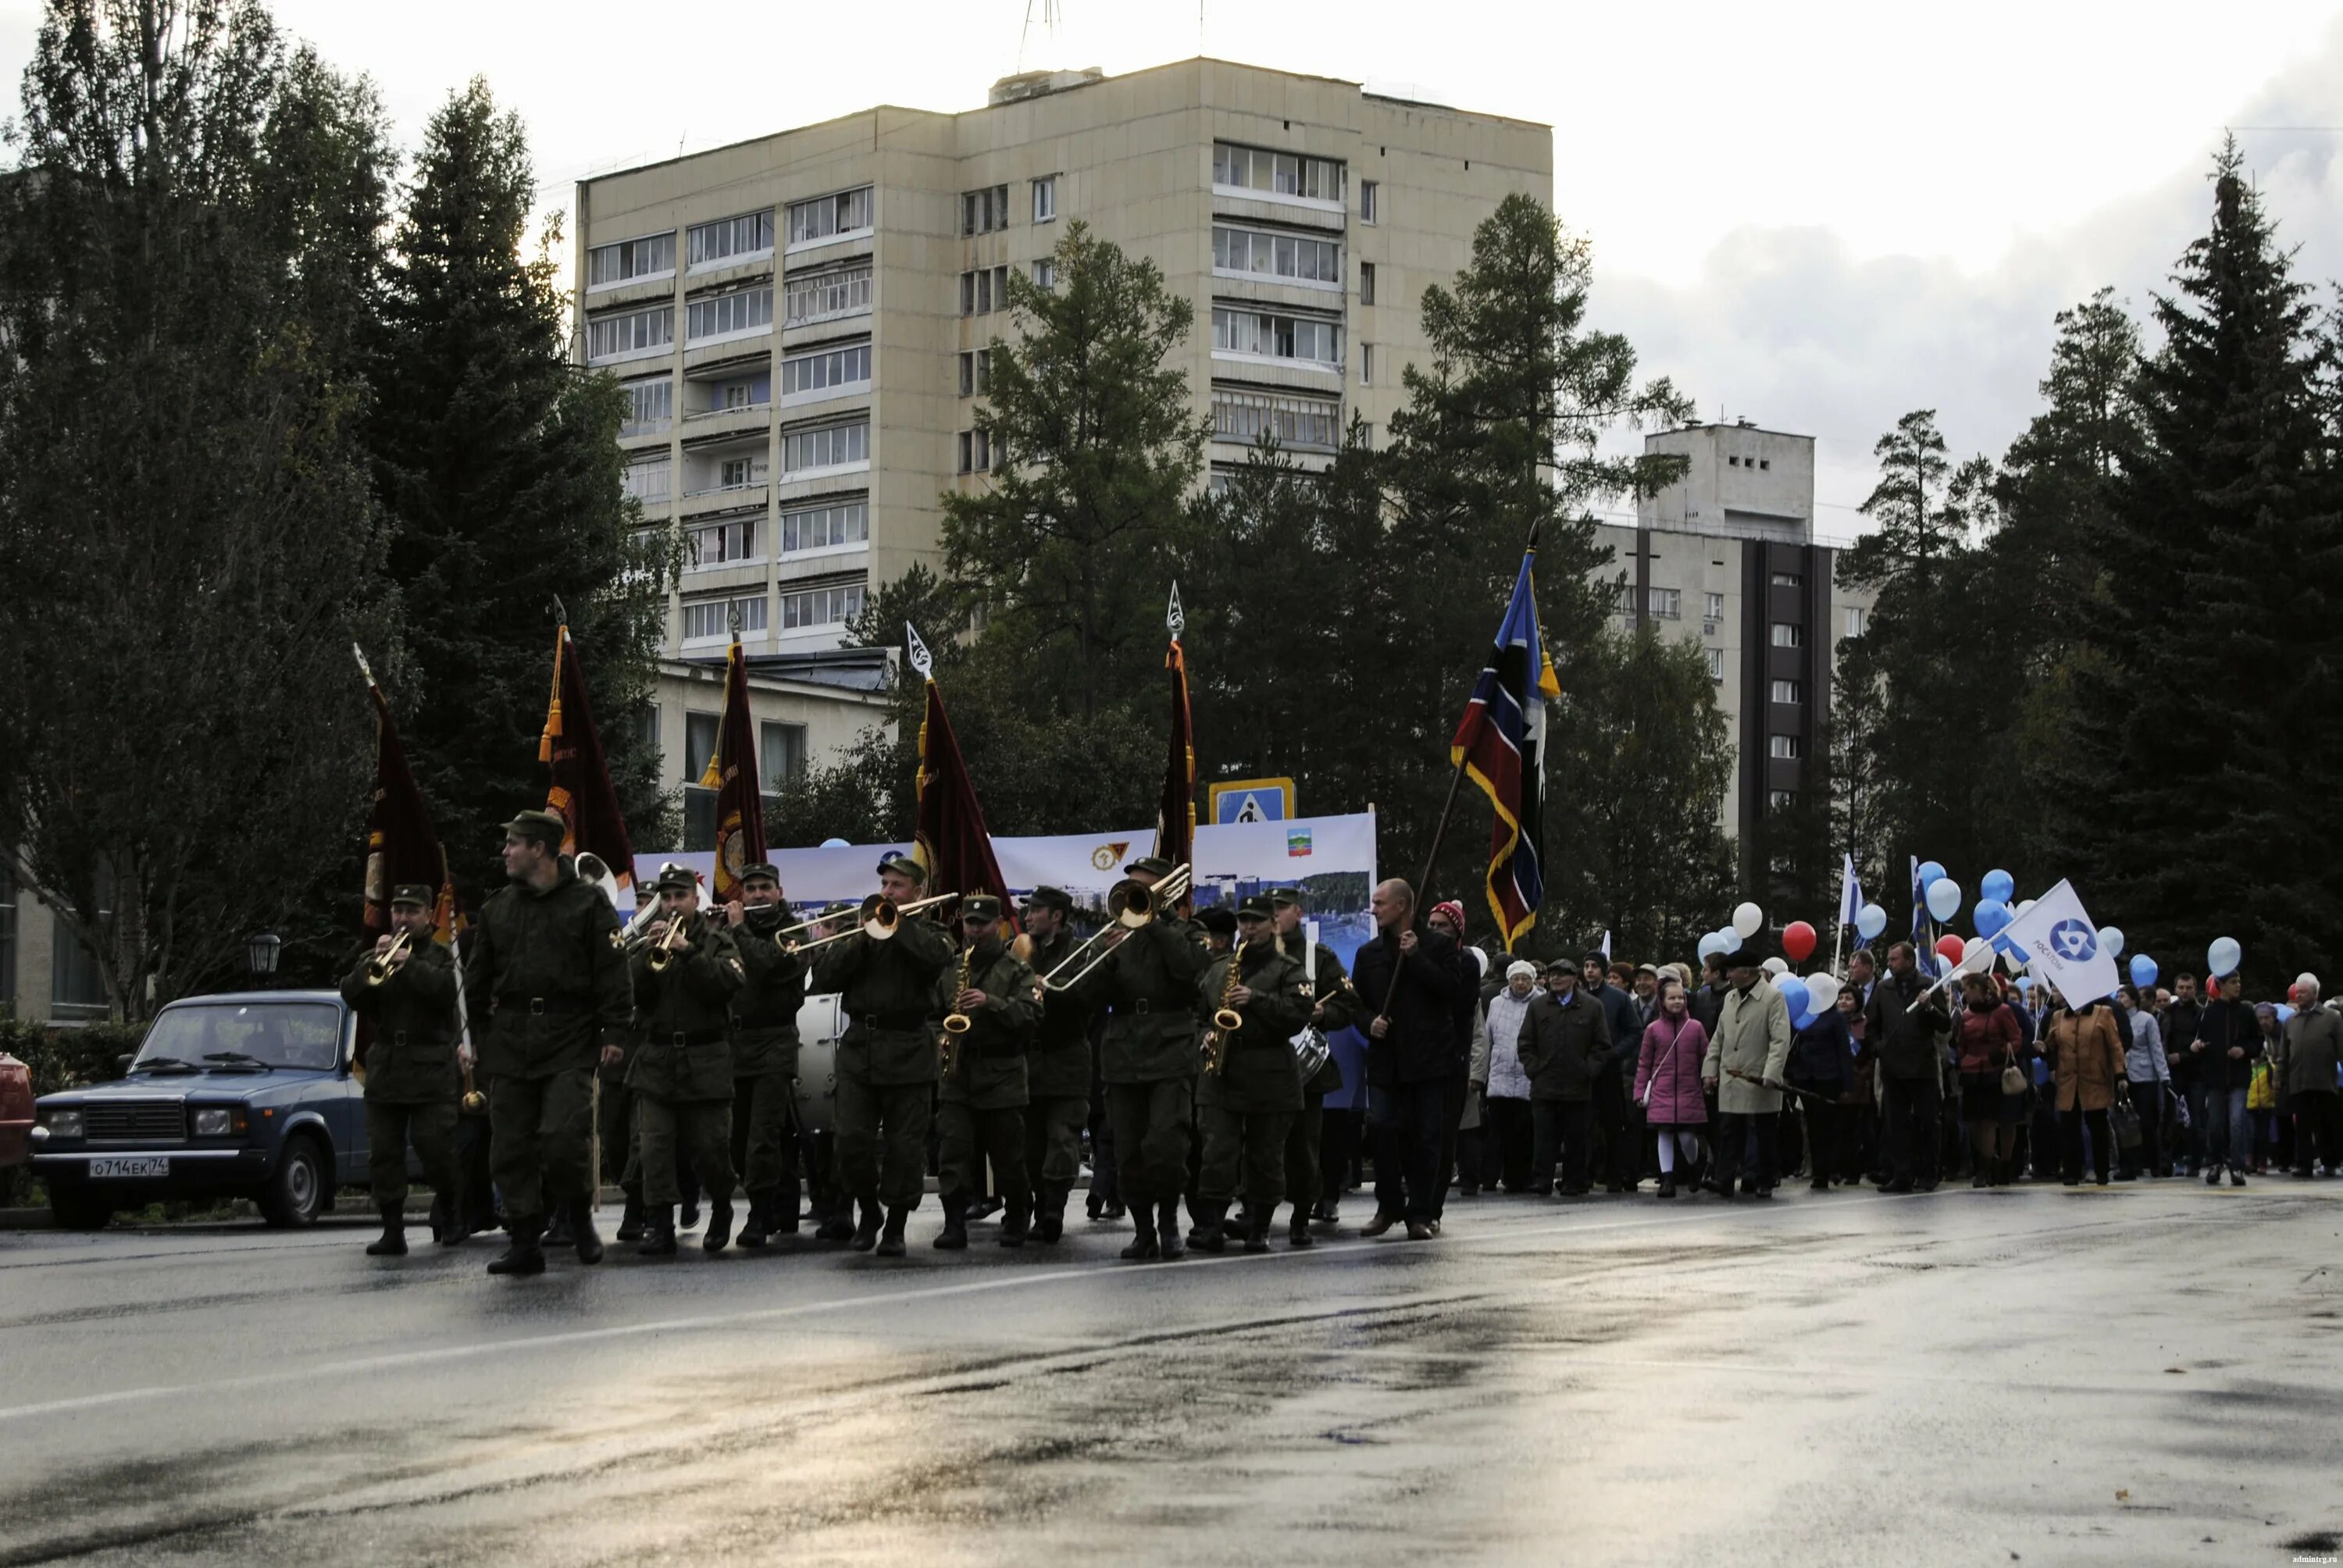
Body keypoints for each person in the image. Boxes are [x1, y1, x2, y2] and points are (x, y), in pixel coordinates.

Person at [463, 809, 633, 1277]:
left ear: (538, 848)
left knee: (562, 1139)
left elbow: (612, 973)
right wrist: (474, 1037)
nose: (506, 852)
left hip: (569, 1036)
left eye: (513, 843)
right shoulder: (498, 907)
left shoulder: (588, 904)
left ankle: (577, 1216)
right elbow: (476, 982)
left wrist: (615, 1031)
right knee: (510, 1148)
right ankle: (524, 1242)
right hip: (511, 1040)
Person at [811, 854, 955, 1256]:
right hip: (860, 1048)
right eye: (885, 885)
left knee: (905, 1147)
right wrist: (861, 937)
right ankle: (869, 1210)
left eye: (897, 886)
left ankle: (895, 1224)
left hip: (908, 1048)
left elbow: (936, 960)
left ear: (919, 892)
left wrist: (897, 925)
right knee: (850, 1142)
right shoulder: (863, 933)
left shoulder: (933, 932)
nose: (888, 892)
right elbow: (825, 978)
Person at [1073, 855, 1209, 1261]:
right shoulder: (1113, 936)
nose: (1135, 892)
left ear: (1163, 889)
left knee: (1167, 1143)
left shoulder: (1187, 931)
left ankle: (1169, 1223)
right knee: (1127, 1149)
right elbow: (1086, 995)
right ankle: (1143, 1229)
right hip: (1124, 1050)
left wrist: (1154, 926)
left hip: (1170, 1048)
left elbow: (1190, 974)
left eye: (1143, 885)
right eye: (1132, 886)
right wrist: (1106, 956)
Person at [339, 884, 464, 1256]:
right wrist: (369, 968)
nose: (403, 919)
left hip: (430, 1065)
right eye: (398, 911)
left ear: (429, 916)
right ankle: (392, 1229)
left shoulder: (442, 956)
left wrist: (408, 965)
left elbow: (446, 992)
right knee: (384, 1153)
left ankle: (452, 1210)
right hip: (388, 1067)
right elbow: (350, 994)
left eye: (412, 912)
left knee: (434, 1146)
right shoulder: (376, 954)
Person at [627, 864, 744, 1256]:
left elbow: (727, 984)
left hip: (705, 1058)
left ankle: (722, 1206)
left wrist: (688, 952)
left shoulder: (717, 941)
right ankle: (659, 1224)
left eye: (681, 897)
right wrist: (646, 953)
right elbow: (632, 992)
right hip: (658, 1059)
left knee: (710, 1148)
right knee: (654, 1148)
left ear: (696, 900)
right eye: (668, 898)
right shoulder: (650, 939)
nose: (673, 904)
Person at [1186, 896, 1311, 1253]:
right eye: (1244, 921)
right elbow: (1195, 1014)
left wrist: (1256, 998)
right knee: (1216, 1151)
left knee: (1265, 1155)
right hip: (1222, 1073)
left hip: (1270, 1073)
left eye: (1257, 922)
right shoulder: (1219, 968)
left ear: (1273, 925)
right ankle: (1210, 1225)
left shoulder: (1288, 969)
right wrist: (1205, 1035)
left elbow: (1298, 1013)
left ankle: (1260, 1225)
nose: (1249, 928)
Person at [1350, 878, 1470, 1239]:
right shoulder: (1368, 954)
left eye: (1380, 903)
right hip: (1387, 1060)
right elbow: (1355, 1003)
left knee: (1427, 1138)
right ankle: (1388, 1204)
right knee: (1383, 1129)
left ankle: (1420, 1213)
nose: (1374, 910)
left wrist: (1417, 958)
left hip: (1430, 1060)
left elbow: (1455, 993)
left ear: (1402, 906)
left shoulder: (1438, 947)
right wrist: (1369, 1023)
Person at [931, 895, 1042, 1250]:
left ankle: (1018, 1215)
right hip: (958, 1073)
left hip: (1002, 1073)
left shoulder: (1016, 969)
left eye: (982, 923)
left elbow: (1031, 1016)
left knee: (1007, 1153)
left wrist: (990, 1003)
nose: (975, 930)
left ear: (999, 925)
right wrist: (939, 1039)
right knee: (954, 1151)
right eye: (970, 923)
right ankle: (953, 1222)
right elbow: (933, 1013)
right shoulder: (950, 968)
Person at [1268, 888, 1359, 1246]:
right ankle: (1255, 1210)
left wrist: (1324, 1014)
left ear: (1299, 912)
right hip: (1259, 1064)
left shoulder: (1317, 957)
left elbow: (1348, 1005)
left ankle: (1302, 1215)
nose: (1275, 917)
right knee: (1257, 1143)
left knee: (1305, 1144)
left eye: (1281, 909)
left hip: (1302, 1068)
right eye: (1269, 910)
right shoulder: (1249, 955)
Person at [726, 864, 807, 1247]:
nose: (757, 894)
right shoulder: (731, 931)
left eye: (764, 887)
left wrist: (738, 929)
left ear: (779, 891)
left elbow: (769, 964)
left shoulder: (792, 931)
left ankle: (759, 1214)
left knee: (763, 1133)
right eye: (750, 888)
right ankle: (783, 1204)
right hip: (736, 1044)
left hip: (775, 1041)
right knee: (741, 1136)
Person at [1016, 886, 1096, 1244]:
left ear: (1057, 916)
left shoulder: (1079, 951)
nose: (1028, 916)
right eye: (1029, 910)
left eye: (1035, 910)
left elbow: (1086, 994)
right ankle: (1039, 1202)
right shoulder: (1019, 950)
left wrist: (1047, 987)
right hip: (1029, 1059)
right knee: (1031, 1145)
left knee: (1062, 1139)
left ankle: (1054, 1209)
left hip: (1066, 1057)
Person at [1700, 951, 1792, 1199]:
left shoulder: (1773, 998)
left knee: (1764, 1132)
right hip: (1731, 1076)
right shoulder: (1730, 997)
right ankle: (1725, 1179)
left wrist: (1771, 1073)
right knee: (1729, 1131)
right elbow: (1718, 1038)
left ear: (1747, 972)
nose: (1728, 975)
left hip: (1757, 1076)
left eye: (1732, 971)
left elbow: (1780, 1039)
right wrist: (1709, 1070)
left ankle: (1764, 1179)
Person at [1863, 942, 1949, 1194]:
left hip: (1922, 1065)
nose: (1890, 964)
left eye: (1895, 960)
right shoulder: (1883, 988)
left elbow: (1944, 1024)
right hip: (1893, 1066)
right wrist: (1878, 1048)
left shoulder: (1928, 985)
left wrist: (1929, 1007)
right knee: (1896, 1122)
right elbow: (1871, 1025)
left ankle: (1929, 1172)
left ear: (1910, 961)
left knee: (1927, 1121)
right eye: (1889, 960)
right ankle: (1902, 1174)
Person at [1520, 957, 1608, 1195]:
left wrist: (1589, 1070)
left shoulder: (1592, 1007)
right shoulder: (1538, 1006)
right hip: (1545, 1084)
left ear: (1574, 979)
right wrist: (1534, 1069)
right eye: (1552, 974)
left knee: (1577, 1138)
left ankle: (1574, 1180)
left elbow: (1601, 1046)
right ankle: (1541, 1179)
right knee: (1544, 1137)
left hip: (1578, 1086)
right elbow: (1526, 1043)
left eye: (1562, 974)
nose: (1556, 978)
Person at [2042, 989, 2127, 1186]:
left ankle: (2101, 1171)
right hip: (2068, 1080)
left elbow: (2115, 1046)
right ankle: (2072, 1171)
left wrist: (2120, 1074)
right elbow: (2052, 1043)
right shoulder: (2058, 1016)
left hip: (2095, 1078)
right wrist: (2043, 1048)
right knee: (2069, 1128)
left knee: (2097, 1127)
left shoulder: (2102, 1013)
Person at [1633, 978, 1709, 1199]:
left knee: (1686, 1136)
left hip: (1689, 1090)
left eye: (1680, 998)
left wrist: (1708, 1080)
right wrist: (1639, 1091)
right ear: (1662, 1002)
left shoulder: (1695, 1028)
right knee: (1664, 1134)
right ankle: (1667, 1179)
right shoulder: (1653, 1029)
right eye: (1672, 998)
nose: (1677, 1001)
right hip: (1662, 1091)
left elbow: (1706, 1057)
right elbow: (1644, 1063)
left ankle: (1694, 1166)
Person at [1582, 950, 1646, 1193]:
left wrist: (1615, 1053)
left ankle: (1614, 1175)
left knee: (1612, 1125)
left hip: (1609, 1070)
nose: (1590, 971)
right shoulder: (1578, 996)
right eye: (1586, 966)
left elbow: (1634, 1031)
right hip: (1585, 1070)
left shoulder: (1618, 998)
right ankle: (1585, 1174)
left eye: (1594, 967)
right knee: (1584, 1126)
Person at [1952, 972, 2021, 1188]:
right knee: (1974, 1122)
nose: (1965, 994)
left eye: (1968, 989)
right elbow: (1961, 1040)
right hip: (1972, 1072)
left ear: (1981, 989)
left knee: (1990, 1121)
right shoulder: (1966, 1015)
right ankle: (1989, 1161)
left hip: (1995, 1071)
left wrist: (1999, 1054)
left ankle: (1987, 1168)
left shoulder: (2003, 1011)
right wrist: (1963, 1059)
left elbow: (2016, 1038)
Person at [2191, 976, 2261, 1188]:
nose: (2238, 985)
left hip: (2239, 1077)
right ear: (2221, 986)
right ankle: (2215, 1162)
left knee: (2237, 1122)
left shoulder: (2247, 1011)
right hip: (2215, 1078)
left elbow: (2258, 1041)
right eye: (2233, 982)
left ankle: (2238, 1165)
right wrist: (2198, 1047)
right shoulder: (2209, 1012)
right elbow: (2198, 1040)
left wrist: (2245, 1050)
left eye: (2239, 981)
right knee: (2214, 1124)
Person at [1785, 981, 1854, 1192]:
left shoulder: (1836, 1018)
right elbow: (1795, 1045)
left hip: (1828, 1078)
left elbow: (1844, 1051)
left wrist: (1847, 1085)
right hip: (1805, 1078)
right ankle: (1818, 1170)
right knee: (1812, 1127)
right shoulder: (1804, 1015)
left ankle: (1827, 1170)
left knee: (1827, 1127)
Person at [1480, 960, 1538, 1193]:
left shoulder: (1541, 1002)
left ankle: (1518, 1178)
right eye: (1516, 978)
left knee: (1523, 1132)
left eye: (1525, 979)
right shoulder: (1496, 1003)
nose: (1520, 983)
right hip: (1500, 1075)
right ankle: (1490, 1177)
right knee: (1496, 1132)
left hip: (1528, 1077)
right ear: (1509, 980)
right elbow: (1488, 1038)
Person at [2277, 977, 2342, 1177]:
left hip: (2324, 1081)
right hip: (2298, 1081)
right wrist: (2279, 1076)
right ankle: (2303, 1164)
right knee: (2302, 1126)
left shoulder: (2332, 1018)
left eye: (2303, 992)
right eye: (2297, 992)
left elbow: (2342, 1049)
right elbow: (2283, 1053)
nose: (2298, 995)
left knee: (2326, 1124)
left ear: (2315, 994)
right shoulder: (2290, 1021)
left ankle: (2330, 1162)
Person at [2116, 985, 2169, 1180]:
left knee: (2147, 1122)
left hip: (2146, 1076)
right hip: (2123, 1075)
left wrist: (2164, 1076)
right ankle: (2128, 1166)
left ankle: (2154, 1163)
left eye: (2123, 996)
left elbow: (2156, 1048)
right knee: (2125, 1123)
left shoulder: (2147, 1020)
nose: (2120, 999)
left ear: (2132, 998)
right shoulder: (2114, 1019)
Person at [2163, 972, 2205, 1175]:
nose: (2185, 992)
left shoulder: (2202, 1013)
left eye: (2188, 988)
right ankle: (2173, 1159)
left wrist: (2184, 1056)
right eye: (2181, 988)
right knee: (2173, 1119)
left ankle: (2195, 1162)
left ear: (2195, 989)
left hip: (2195, 1074)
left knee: (2195, 1120)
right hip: (2172, 1074)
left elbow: (2205, 1044)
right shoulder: (2168, 1012)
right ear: (2176, 989)